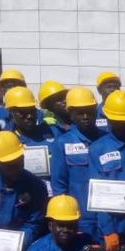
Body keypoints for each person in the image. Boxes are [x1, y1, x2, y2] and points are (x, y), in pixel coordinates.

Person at [89, 90, 125, 251]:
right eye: (116, 121)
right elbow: (97, 195)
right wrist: (108, 230)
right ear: (107, 118)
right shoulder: (97, 149)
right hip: (113, 226)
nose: (121, 125)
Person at [50, 88, 105, 242]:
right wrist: (65, 220)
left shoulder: (108, 141)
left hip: (107, 218)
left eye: (89, 111)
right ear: (71, 114)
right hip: (79, 220)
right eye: (80, 113)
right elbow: (59, 185)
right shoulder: (62, 143)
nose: (86, 116)